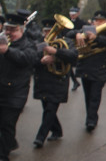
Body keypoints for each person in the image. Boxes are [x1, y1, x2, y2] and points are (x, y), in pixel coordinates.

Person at [0, 10, 38, 161]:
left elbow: (27, 59)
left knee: (7, 124)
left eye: (13, 30)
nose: (9, 33)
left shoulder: (29, 44)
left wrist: (7, 51)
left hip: (15, 93)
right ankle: (11, 142)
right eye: (7, 29)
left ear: (21, 30)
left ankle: (2, 157)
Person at [32, 18, 78, 148]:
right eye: (45, 31)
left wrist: (56, 54)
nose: (47, 34)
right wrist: (41, 61)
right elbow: (31, 60)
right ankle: (57, 130)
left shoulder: (66, 42)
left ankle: (40, 137)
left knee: (50, 110)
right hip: (42, 81)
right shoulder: (39, 43)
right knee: (47, 109)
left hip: (58, 82)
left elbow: (74, 56)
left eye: (50, 31)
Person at [72, 9, 106, 131]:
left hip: (100, 69)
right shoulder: (87, 29)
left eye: (101, 21)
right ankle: (90, 116)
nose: (97, 23)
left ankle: (91, 121)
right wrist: (76, 34)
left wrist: (97, 38)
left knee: (95, 96)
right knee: (88, 95)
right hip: (86, 67)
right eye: (96, 20)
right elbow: (69, 34)